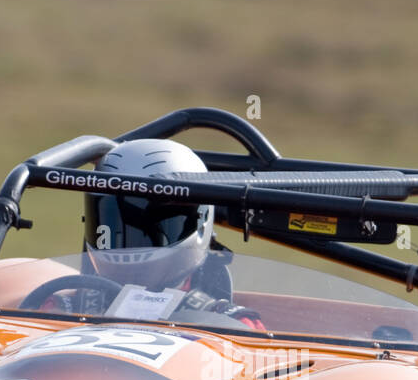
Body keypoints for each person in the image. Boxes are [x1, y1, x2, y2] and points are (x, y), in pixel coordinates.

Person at [49, 138, 264, 328]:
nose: (129, 242)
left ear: (200, 221)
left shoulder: (235, 326)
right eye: (112, 220)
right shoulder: (56, 310)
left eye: (147, 230)